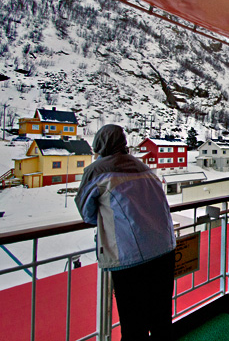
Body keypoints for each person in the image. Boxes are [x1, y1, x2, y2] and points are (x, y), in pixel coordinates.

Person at [75, 125, 176, 340]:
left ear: (99, 145)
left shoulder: (96, 170)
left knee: (133, 326)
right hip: (164, 249)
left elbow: (87, 213)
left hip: (131, 256)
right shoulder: (144, 166)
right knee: (161, 321)